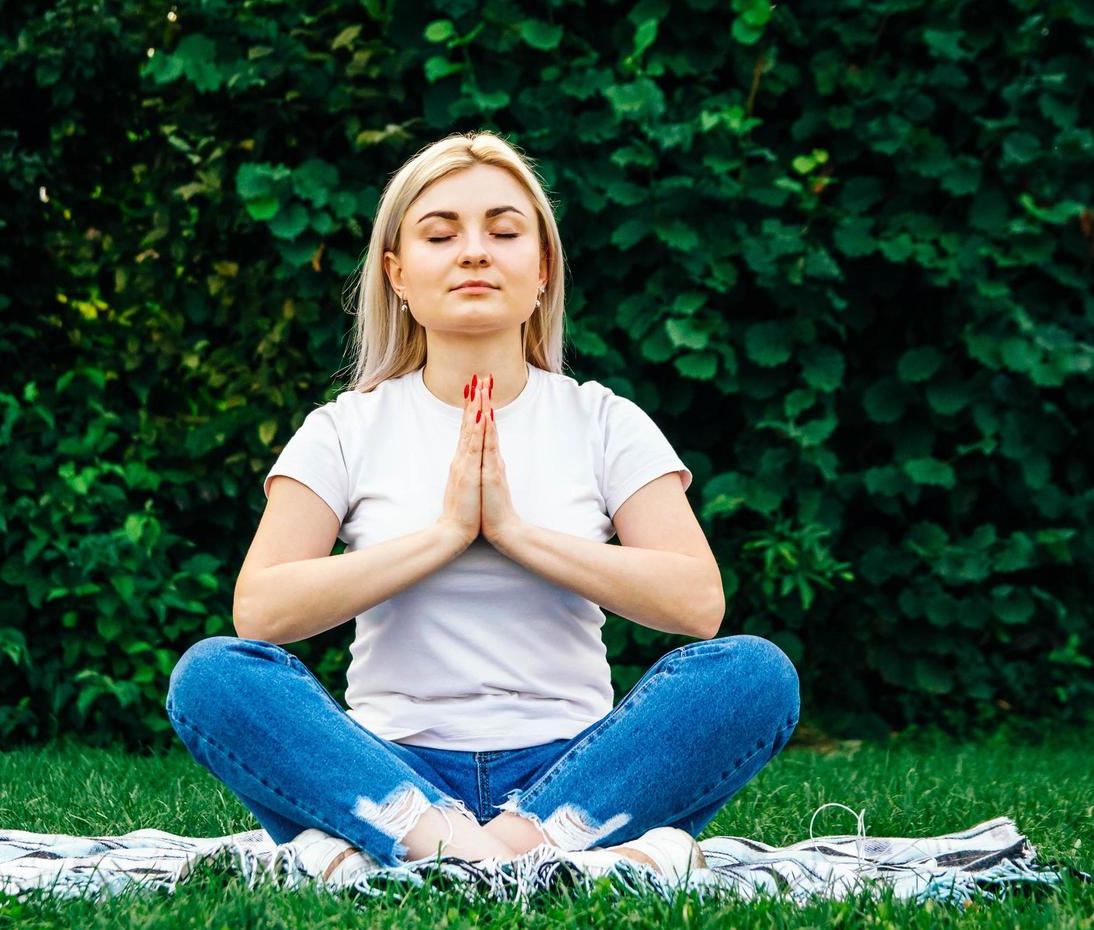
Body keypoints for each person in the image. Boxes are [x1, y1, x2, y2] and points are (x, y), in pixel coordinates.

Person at [165, 131, 800, 885]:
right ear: (397, 274)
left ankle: (447, 851)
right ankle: (511, 851)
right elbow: (261, 614)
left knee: (754, 675)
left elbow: (696, 604)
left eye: (503, 232)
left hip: (574, 768)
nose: (474, 252)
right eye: (441, 234)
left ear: (541, 272)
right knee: (213, 676)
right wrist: (444, 535)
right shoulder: (345, 427)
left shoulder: (603, 421)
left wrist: (513, 532)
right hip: (390, 768)